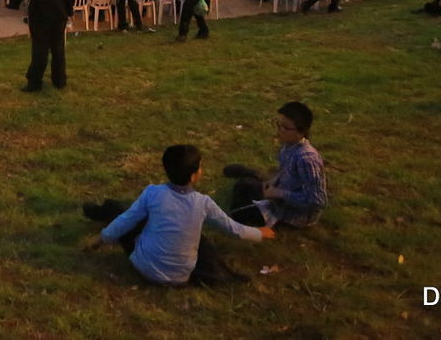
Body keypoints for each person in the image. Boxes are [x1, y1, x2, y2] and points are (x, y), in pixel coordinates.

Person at [82, 144, 274, 287]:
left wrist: (101, 240)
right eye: (200, 167)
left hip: (145, 267)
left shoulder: (153, 193)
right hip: (180, 277)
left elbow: (125, 221)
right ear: (193, 176)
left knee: (119, 210)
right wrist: (260, 233)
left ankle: (98, 210)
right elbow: (234, 229)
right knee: (195, 236)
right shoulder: (203, 203)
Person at [224, 102, 329, 229]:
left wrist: (279, 193)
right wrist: (273, 182)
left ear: (301, 131)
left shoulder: (307, 160)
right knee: (246, 186)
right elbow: (284, 171)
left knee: (238, 211)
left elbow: (317, 201)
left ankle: (252, 175)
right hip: (280, 195)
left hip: (291, 214)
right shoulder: (289, 145)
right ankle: (253, 176)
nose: (279, 130)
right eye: (278, 125)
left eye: (285, 128)